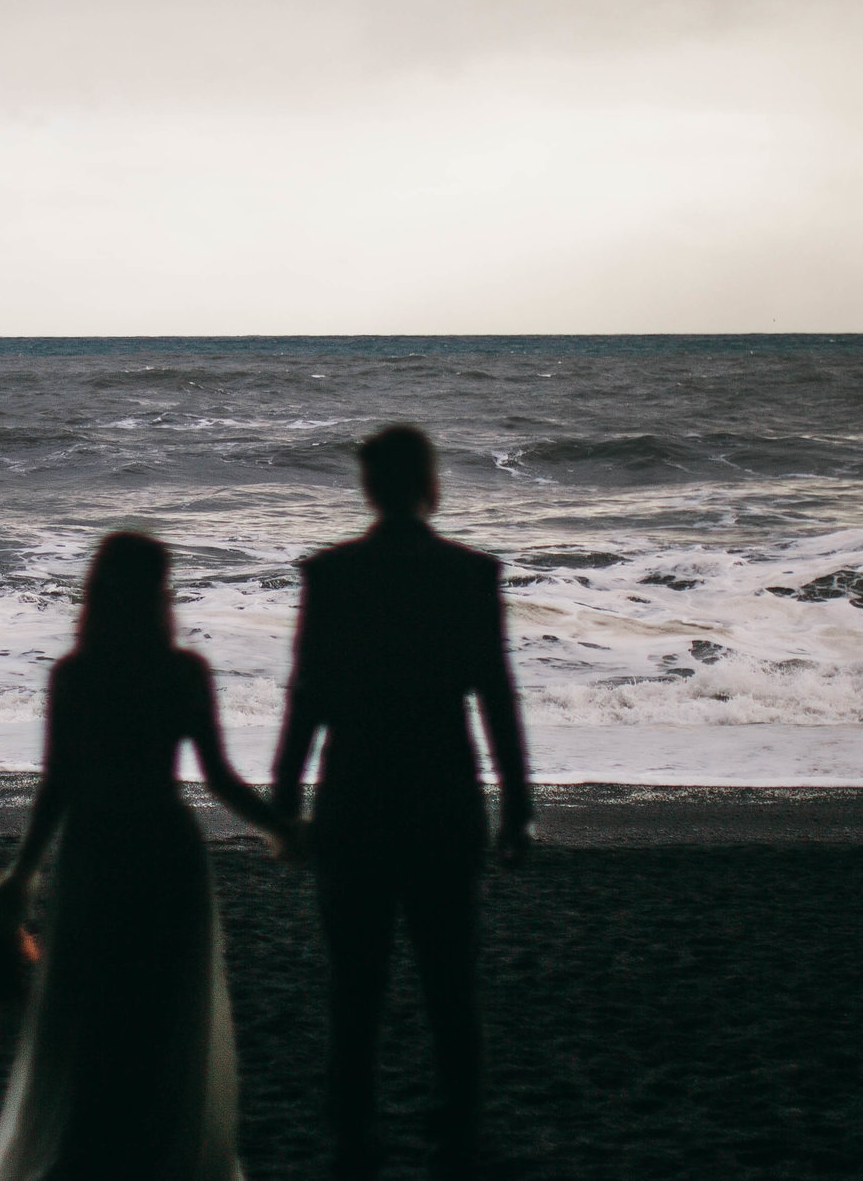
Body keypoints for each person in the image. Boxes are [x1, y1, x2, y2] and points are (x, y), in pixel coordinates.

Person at [0, 530, 298, 1181]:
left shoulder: (75, 675)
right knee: (160, 1018)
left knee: (94, 1016)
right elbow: (218, 777)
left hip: (96, 852)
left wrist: (24, 869)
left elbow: (58, 784)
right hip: (164, 850)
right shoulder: (182, 672)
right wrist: (282, 827)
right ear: (156, 596)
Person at [271, 425, 532, 1181]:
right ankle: (457, 1128)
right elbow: (496, 697)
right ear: (429, 484)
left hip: (354, 793)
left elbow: (307, 695)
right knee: (450, 976)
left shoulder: (331, 575)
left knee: (356, 983)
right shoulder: (471, 574)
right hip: (443, 793)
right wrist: (516, 805)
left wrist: (285, 798)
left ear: (368, 488)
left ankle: (354, 1134)